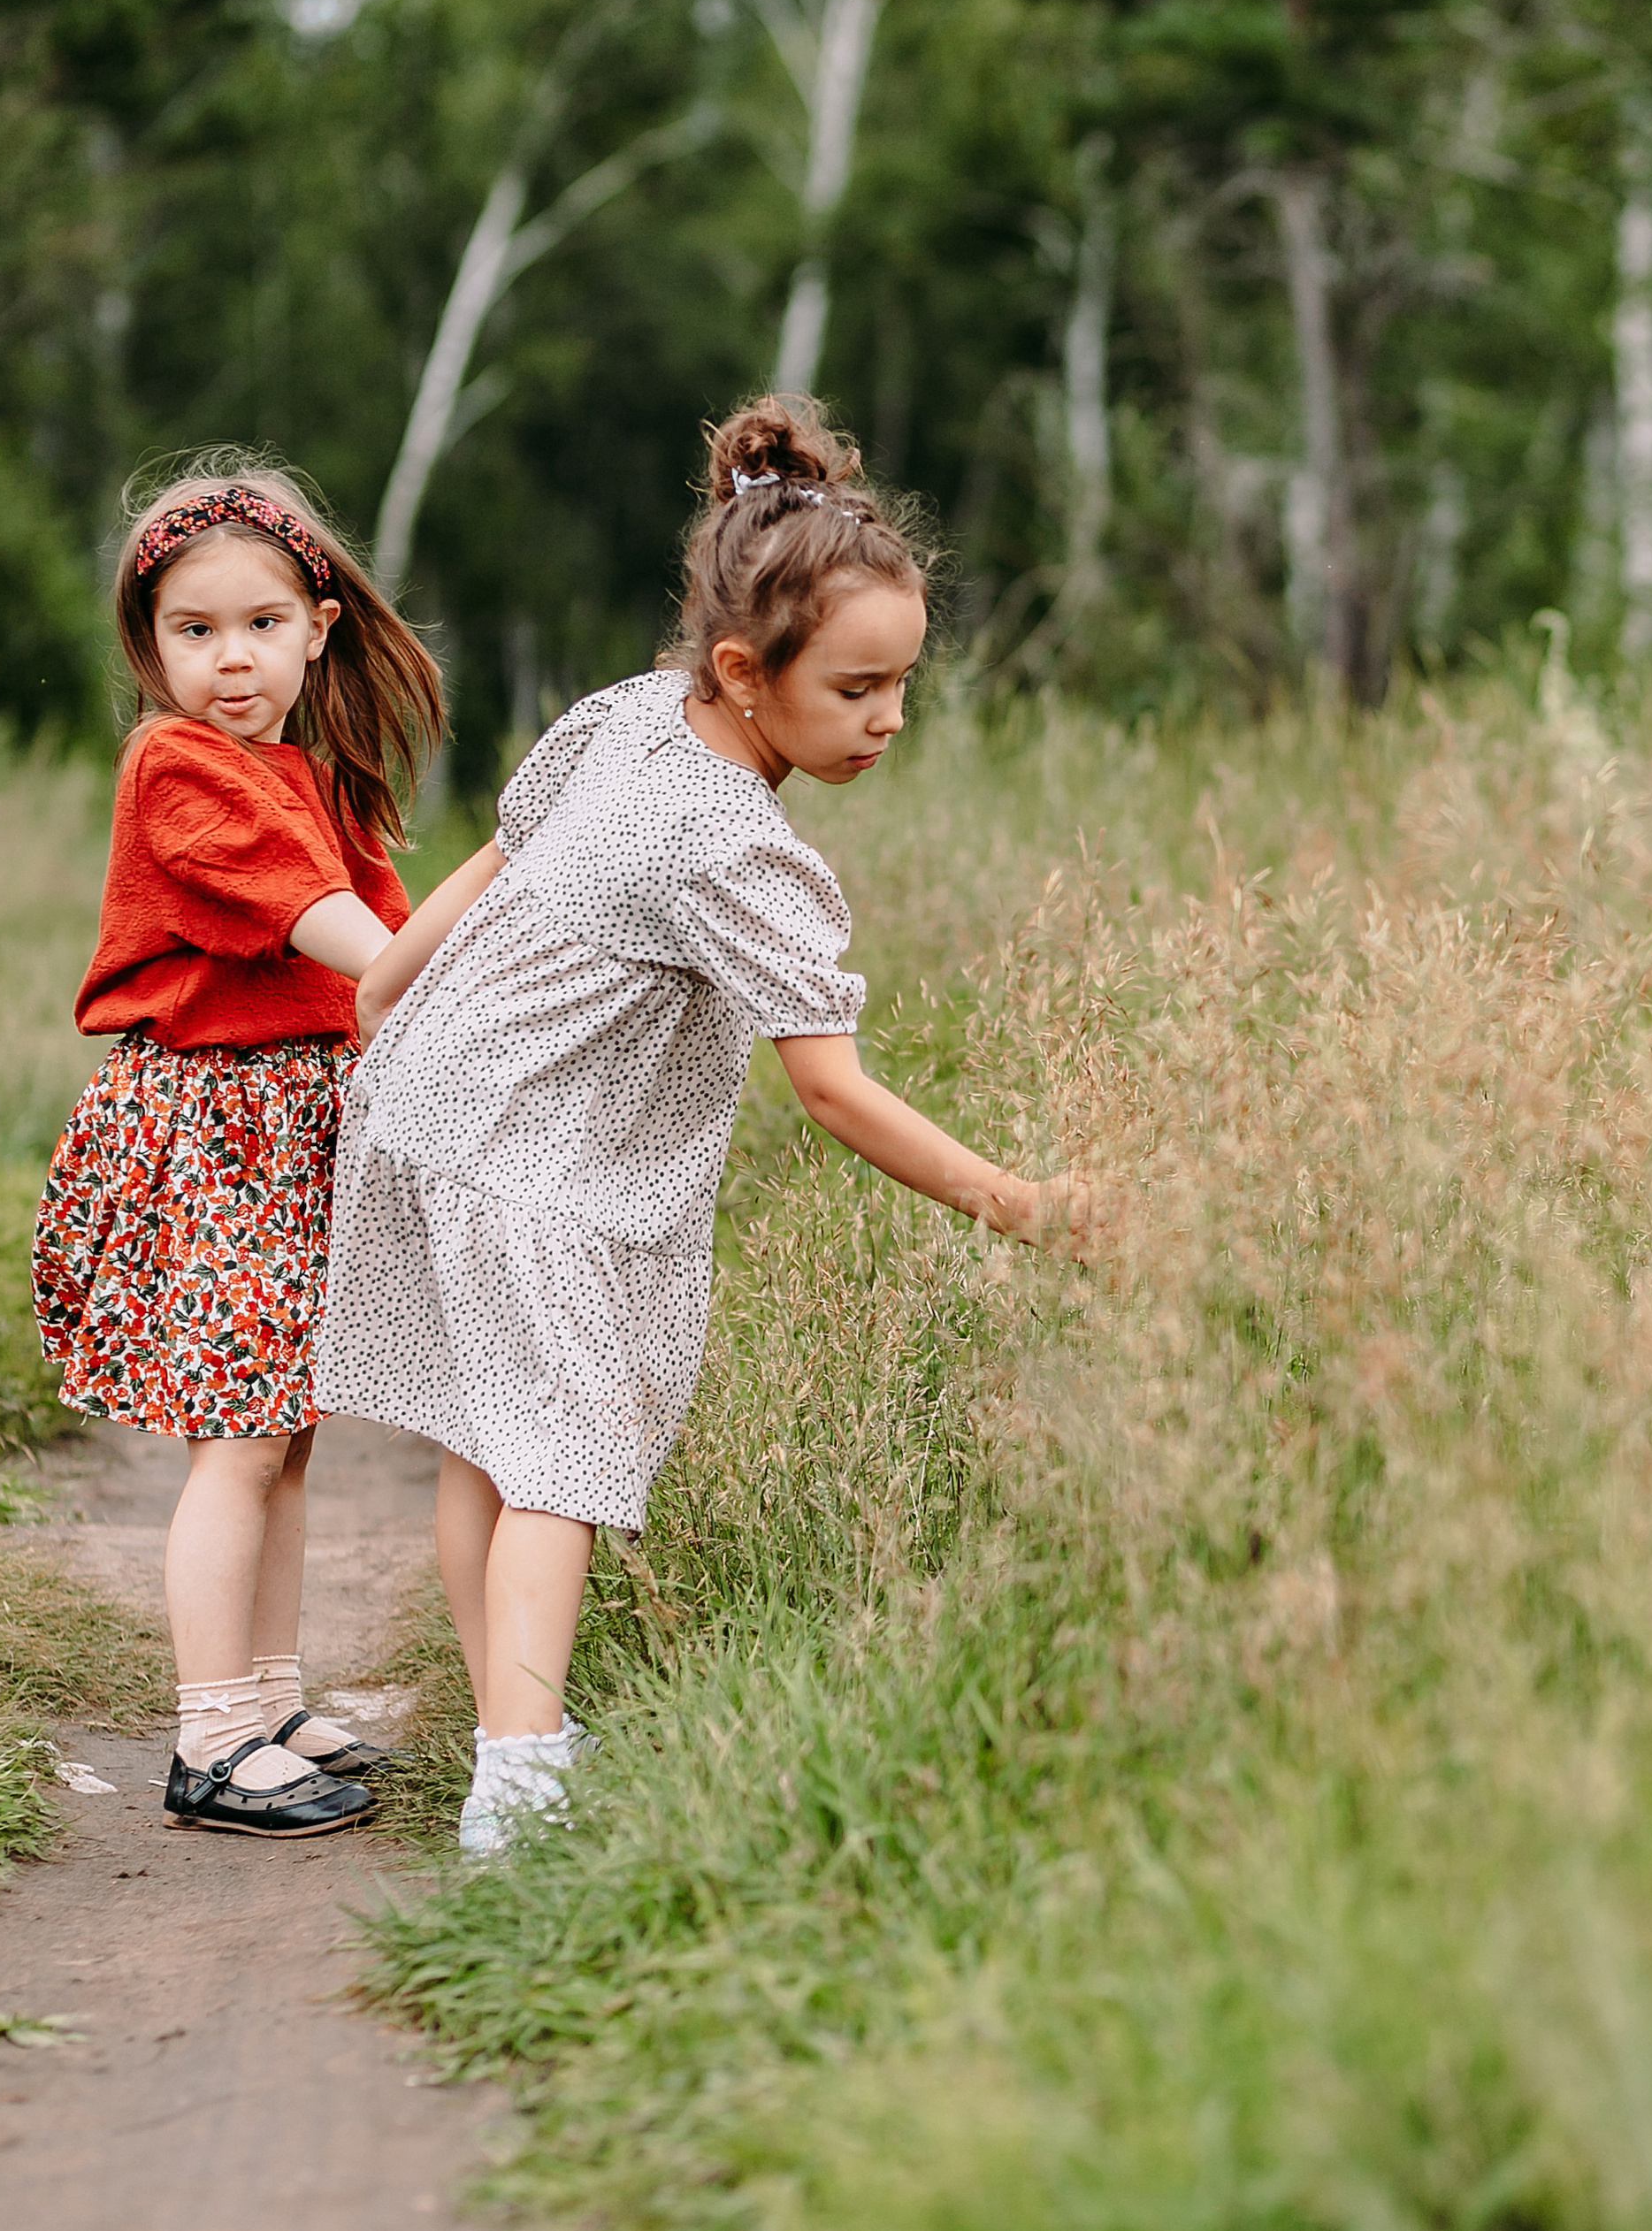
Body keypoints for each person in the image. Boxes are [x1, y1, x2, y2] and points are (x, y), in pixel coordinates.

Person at [315, 394, 1080, 1856]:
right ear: (747, 669)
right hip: (535, 1165)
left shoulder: (624, 715)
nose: (889, 721)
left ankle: (508, 1732)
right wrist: (1021, 1203)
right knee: (560, 1464)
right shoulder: (741, 848)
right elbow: (835, 1090)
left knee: (490, 1449)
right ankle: (524, 1786)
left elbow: (497, 852)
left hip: (430, 1114)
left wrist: (387, 993)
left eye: (904, 684)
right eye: (857, 689)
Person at [33, 461, 441, 1838]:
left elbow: (377, 947)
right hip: (213, 1129)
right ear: (148, 648)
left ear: (318, 625)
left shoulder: (306, 771)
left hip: (292, 1123)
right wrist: (423, 980)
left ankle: (267, 1699)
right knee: (241, 1439)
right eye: (191, 632)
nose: (228, 659)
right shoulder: (178, 767)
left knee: (288, 1434)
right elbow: (332, 928)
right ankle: (210, 1737)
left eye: (260, 624)